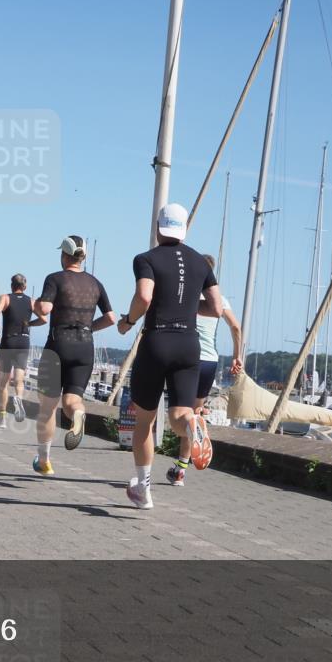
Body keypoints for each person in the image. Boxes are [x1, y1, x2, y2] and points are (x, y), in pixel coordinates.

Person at [118, 203, 224, 509]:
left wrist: (128, 321)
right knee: (180, 414)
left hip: (157, 341)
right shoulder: (201, 263)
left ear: (157, 227)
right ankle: (193, 424)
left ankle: (143, 490)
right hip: (189, 345)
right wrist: (190, 308)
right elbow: (216, 308)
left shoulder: (146, 259)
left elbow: (144, 296)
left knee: (145, 422)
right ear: (185, 228)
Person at [32, 236, 115, 475]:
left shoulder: (55, 278)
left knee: (47, 408)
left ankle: (44, 459)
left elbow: (46, 309)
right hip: (85, 346)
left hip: (58, 345)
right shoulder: (95, 283)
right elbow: (110, 318)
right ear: (83, 257)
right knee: (71, 401)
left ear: (64, 256)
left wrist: (36, 304)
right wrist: (90, 327)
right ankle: (78, 414)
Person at [166, 254, 243, 486]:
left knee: (180, 416)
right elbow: (236, 327)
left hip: (186, 358)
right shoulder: (221, 300)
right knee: (194, 416)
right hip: (210, 361)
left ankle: (179, 467)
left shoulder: (185, 295)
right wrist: (237, 356)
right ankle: (180, 471)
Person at [0, 273, 44, 428]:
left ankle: (2, 417)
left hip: (9, 341)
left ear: (12, 286)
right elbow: (44, 319)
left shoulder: (5, 298)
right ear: (24, 286)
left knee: (3, 382)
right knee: (19, 379)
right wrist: (30, 324)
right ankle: (18, 398)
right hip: (23, 341)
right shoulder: (31, 302)